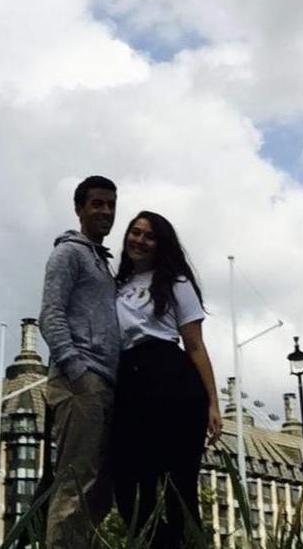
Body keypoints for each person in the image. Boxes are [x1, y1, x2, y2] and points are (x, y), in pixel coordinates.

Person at [113, 210, 222, 547]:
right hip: (128, 380)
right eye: (135, 232)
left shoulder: (176, 282)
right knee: (129, 483)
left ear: (161, 244)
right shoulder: (117, 285)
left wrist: (213, 403)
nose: (140, 240)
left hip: (170, 378)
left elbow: (195, 345)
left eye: (149, 236)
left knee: (179, 485)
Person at [39, 175, 120, 549]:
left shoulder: (102, 262)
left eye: (111, 205)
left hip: (104, 382)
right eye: (97, 204)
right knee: (75, 482)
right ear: (79, 209)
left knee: (100, 486)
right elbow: (50, 314)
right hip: (81, 381)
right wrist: (77, 371)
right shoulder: (69, 253)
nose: (105, 211)